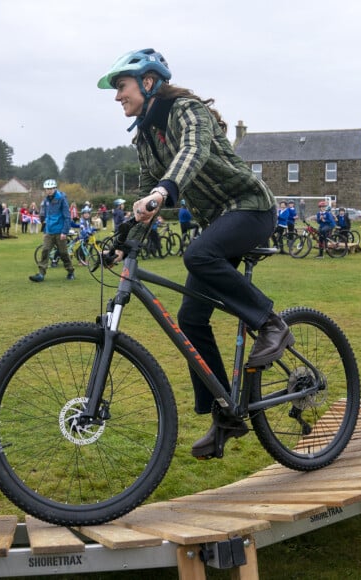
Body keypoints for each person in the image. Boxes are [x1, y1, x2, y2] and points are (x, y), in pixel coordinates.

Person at [98, 48, 290, 460]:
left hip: (250, 208)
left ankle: (272, 324)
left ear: (148, 83)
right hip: (219, 220)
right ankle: (226, 414)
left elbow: (192, 153)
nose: (117, 96)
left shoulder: (186, 110)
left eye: (122, 86)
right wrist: (119, 237)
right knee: (190, 317)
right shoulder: (145, 137)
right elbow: (145, 189)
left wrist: (165, 190)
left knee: (198, 255)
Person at [29, 179, 75, 282]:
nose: (49, 191)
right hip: (49, 231)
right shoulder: (46, 201)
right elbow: (47, 216)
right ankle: (41, 274)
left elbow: (67, 216)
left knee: (63, 253)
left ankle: (70, 271)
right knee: (45, 250)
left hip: (60, 231)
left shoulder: (62, 199)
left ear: (55, 188)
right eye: (47, 189)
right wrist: (45, 229)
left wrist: (64, 231)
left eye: (50, 188)